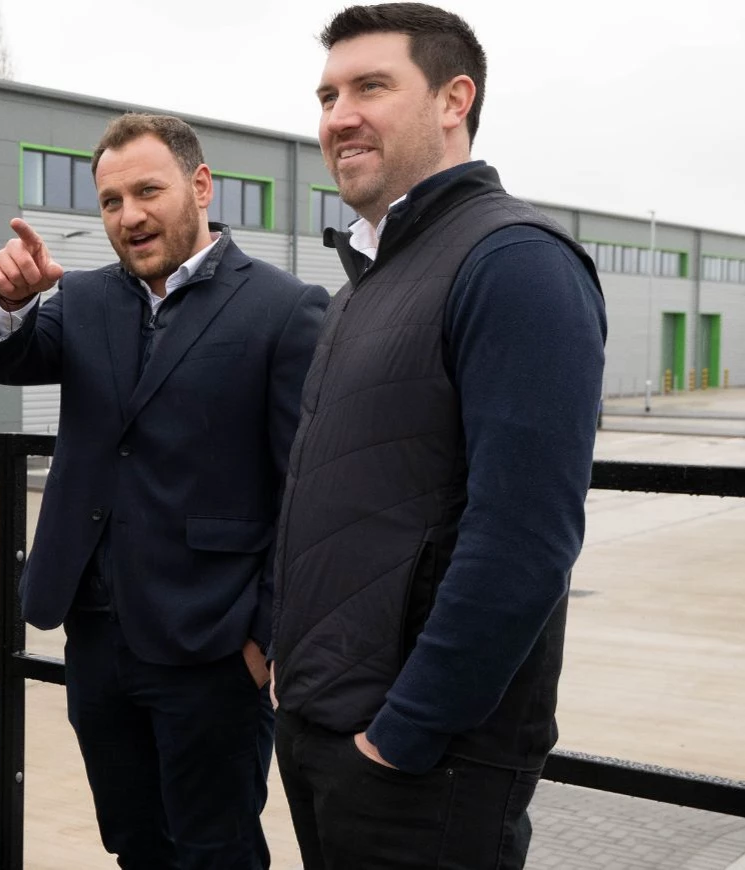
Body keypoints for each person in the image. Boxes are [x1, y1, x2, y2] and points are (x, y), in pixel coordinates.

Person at [268, 5, 607, 868]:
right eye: (328, 93)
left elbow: (525, 541)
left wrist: (403, 736)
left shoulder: (515, 264)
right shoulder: (363, 286)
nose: (338, 115)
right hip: (324, 734)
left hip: (424, 765)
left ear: (455, 100)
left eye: (371, 87)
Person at [0, 112, 328, 869]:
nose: (128, 216)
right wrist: (11, 303)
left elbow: (305, 491)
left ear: (200, 186)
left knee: (215, 849)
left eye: (147, 191)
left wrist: (265, 637)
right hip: (96, 635)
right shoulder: (88, 298)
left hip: (213, 647)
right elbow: (2, 359)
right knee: (132, 841)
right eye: (109, 201)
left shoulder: (283, 308)